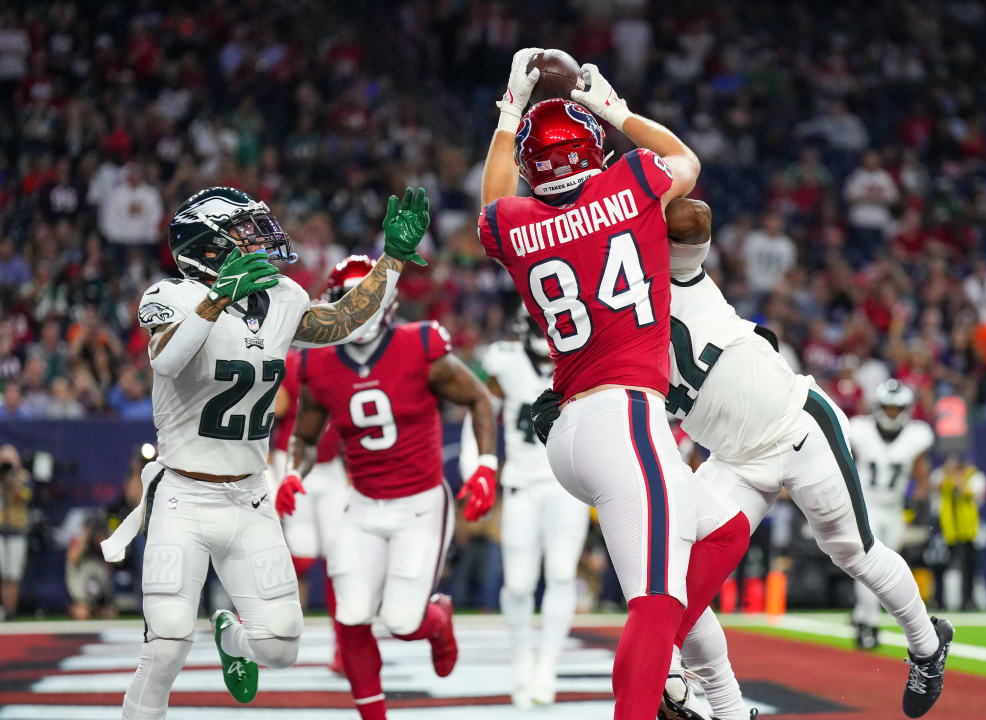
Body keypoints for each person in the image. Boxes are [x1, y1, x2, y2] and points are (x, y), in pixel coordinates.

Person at [477, 49, 749, 720]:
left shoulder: (516, 222)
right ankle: (656, 671)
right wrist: (617, 109)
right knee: (653, 604)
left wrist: (509, 115)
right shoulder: (628, 182)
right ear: (593, 150)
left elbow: (491, 200)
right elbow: (688, 161)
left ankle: (664, 661)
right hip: (625, 418)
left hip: (572, 431)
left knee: (726, 531)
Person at [100, 184, 426, 719]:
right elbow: (164, 361)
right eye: (242, 232)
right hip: (182, 494)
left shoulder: (283, 298)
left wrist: (391, 260)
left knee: (281, 646)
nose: (257, 240)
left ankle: (233, 638)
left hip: (250, 497)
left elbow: (345, 322)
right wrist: (214, 301)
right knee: (168, 641)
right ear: (207, 247)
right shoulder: (171, 296)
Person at [654, 241, 952, 719]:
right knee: (678, 585)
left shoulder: (673, 277)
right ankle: (731, 712)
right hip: (733, 460)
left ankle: (926, 643)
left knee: (853, 551)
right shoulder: (612, 344)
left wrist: (639, 211)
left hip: (796, 429)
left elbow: (693, 221)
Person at [284, 254, 497, 720]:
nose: (359, 309)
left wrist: (486, 466)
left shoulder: (418, 344)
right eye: (348, 300)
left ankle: (438, 619)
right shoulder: (318, 364)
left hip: (419, 503)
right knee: (352, 615)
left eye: (367, 298)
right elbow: (303, 433)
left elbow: (479, 399)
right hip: (360, 502)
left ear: (389, 301)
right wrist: (294, 474)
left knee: (402, 622)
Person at [462, 310, 589, 708]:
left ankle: (546, 665)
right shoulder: (505, 362)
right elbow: (480, 412)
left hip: (567, 486)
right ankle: (522, 660)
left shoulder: (583, 360)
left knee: (562, 574)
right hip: (520, 483)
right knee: (517, 582)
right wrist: (477, 468)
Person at [270, 349, 347, 674]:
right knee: (300, 555)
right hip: (294, 463)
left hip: (330, 469)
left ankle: (344, 647)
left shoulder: (345, 362)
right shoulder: (290, 363)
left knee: (341, 559)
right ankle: (257, 615)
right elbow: (276, 409)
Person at [845, 380, 936, 652]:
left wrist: (920, 496)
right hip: (866, 506)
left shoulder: (917, 435)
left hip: (894, 509)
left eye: (897, 408)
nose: (893, 413)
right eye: (888, 407)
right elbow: (845, 461)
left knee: (885, 569)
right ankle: (869, 624)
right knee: (868, 566)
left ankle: (862, 616)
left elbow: (921, 472)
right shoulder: (860, 430)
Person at [930, 453, 986, 611]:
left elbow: (974, 493)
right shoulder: (941, 474)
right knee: (940, 566)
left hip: (968, 531)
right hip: (945, 529)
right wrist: (949, 474)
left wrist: (958, 480)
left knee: (969, 568)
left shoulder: (975, 477)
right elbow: (934, 487)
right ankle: (939, 601)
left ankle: (967, 601)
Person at [0, 443, 30, 620]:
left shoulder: (23, 477)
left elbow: (25, 497)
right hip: (0, 529)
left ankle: (11, 611)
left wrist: (12, 480)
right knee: (2, 573)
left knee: (13, 574)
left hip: (17, 530)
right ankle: (3, 610)